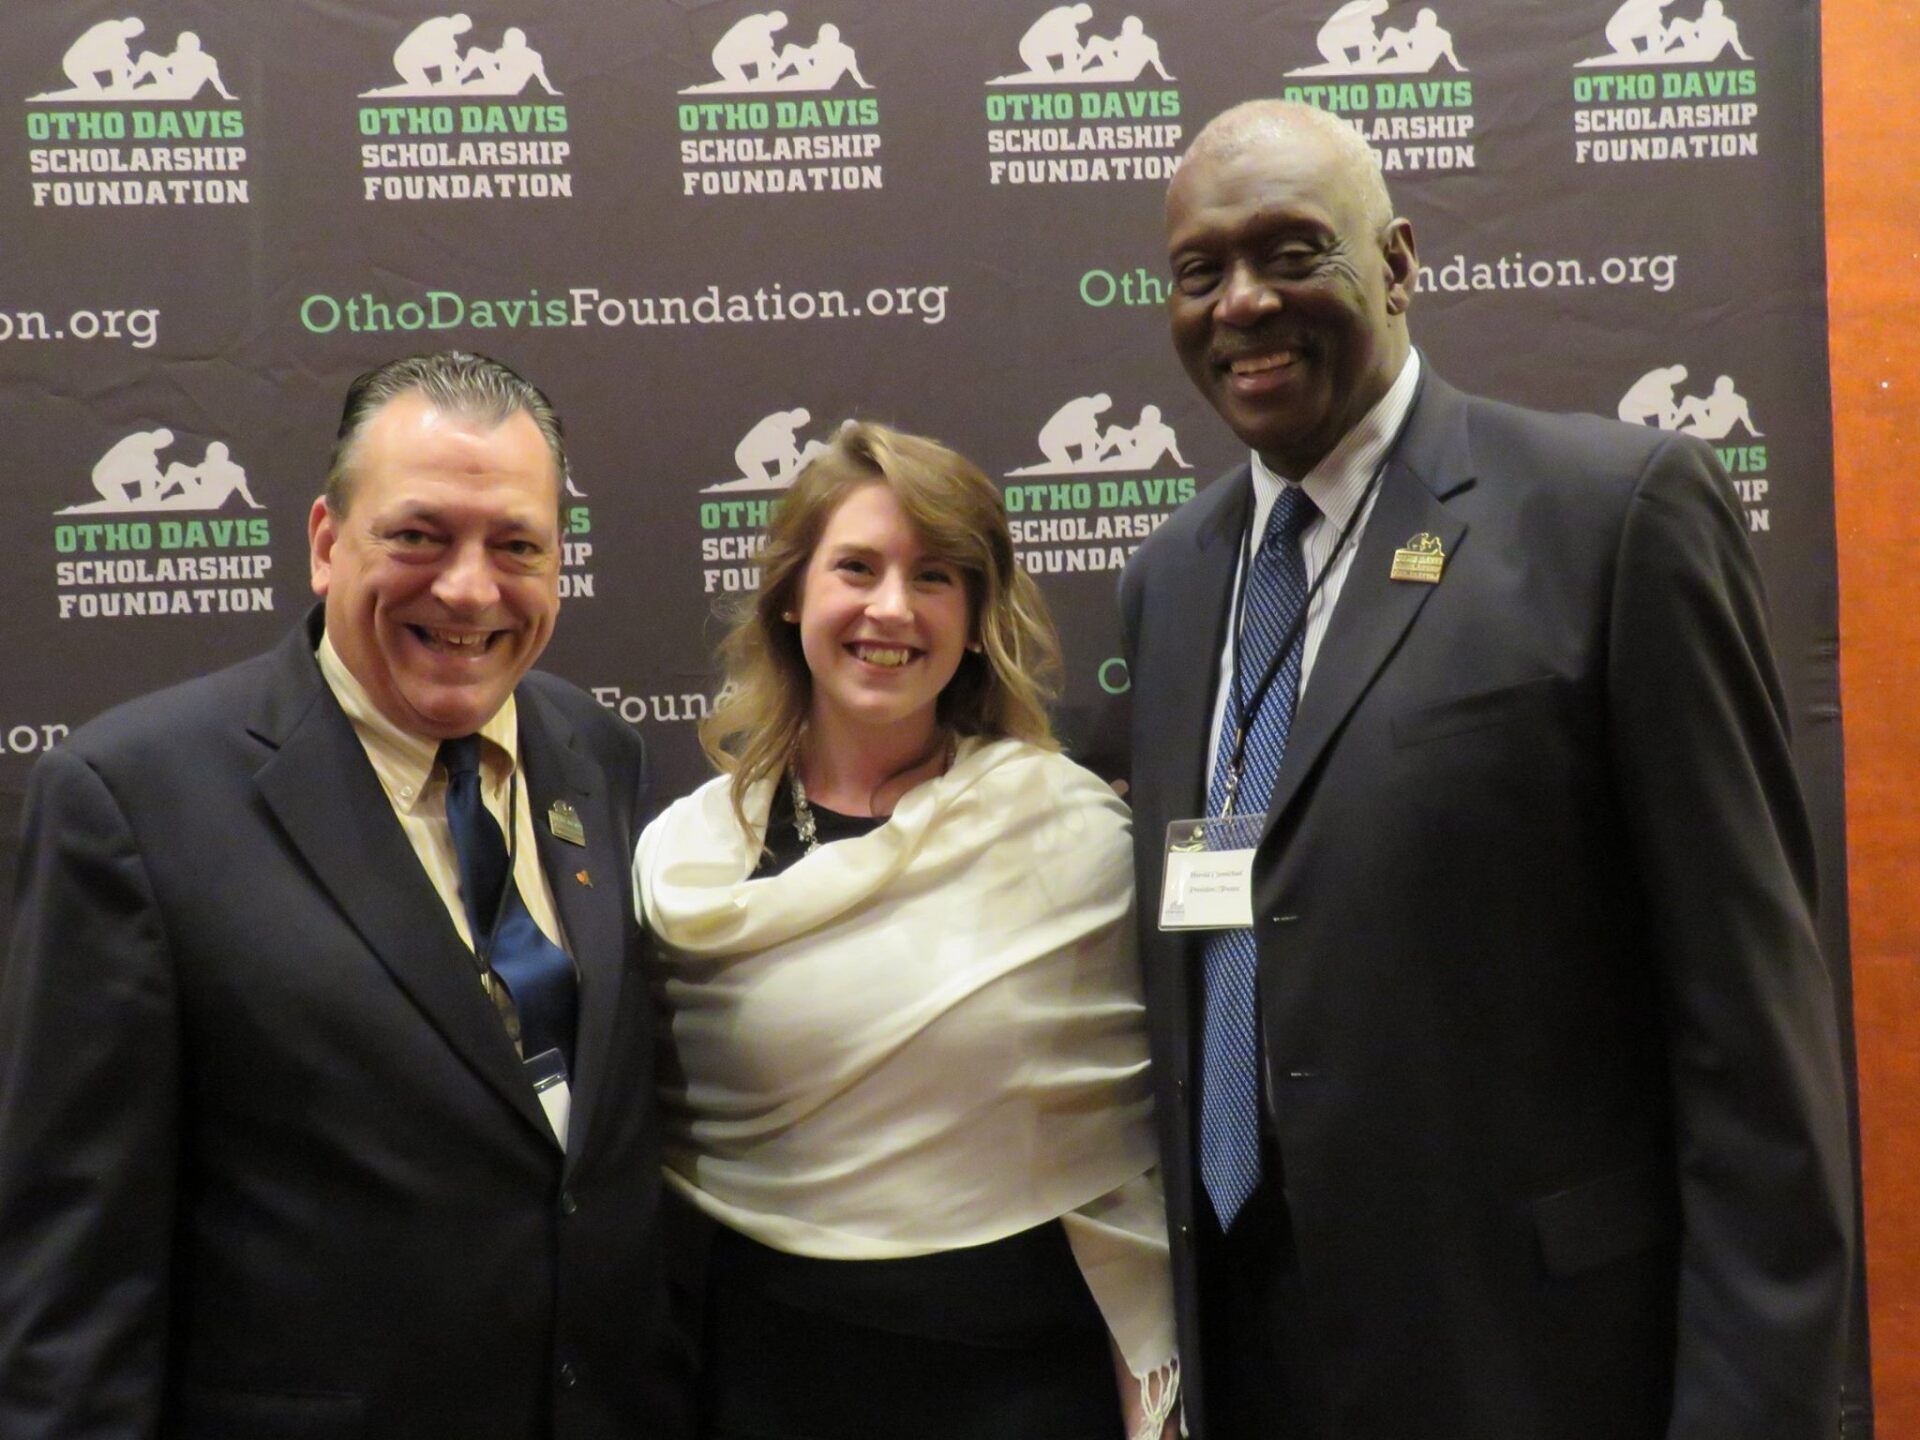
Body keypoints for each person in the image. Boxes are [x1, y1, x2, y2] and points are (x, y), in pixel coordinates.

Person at [1121, 99, 1852, 1439]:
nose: (1242, 303)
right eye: (1199, 270)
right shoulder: (1171, 579)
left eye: (1292, 252)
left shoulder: (1612, 515)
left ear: (1398, 263)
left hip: (1537, 1359)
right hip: (1254, 1344)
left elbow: (1750, 1029)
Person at [0, 352, 684, 1438]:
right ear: (326, 543)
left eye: (516, 545)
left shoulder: (593, 748)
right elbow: (76, 1265)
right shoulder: (131, 798)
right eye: (418, 536)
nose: (469, 589)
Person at [636, 422, 1179, 1440]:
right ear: (792, 595)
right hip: (772, 1379)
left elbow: (1159, 1118)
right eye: (856, 567)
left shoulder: (1072, 835)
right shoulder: (682, 860)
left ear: (974, 620)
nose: (890, 607)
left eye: (933, 576)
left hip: (1024, 1385)